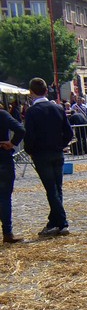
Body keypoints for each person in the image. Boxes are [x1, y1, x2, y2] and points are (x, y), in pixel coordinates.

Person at [23, 77, 73, 237]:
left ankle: (62, 223)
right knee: (57, 188)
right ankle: (54, 222)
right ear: (46, 90)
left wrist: (29, 150)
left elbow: (29, 136)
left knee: (51, 189)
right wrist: (61, 144)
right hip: (57, 152)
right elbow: (69, 132)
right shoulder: (58, 108)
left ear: (31, 93)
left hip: (41, 154)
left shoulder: (31, 112)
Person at [0, 103, 25, 243]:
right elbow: (21, 129)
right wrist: (12, 143)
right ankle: (7, 233)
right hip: (2, 157)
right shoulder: (2, 114)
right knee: (4, 197)